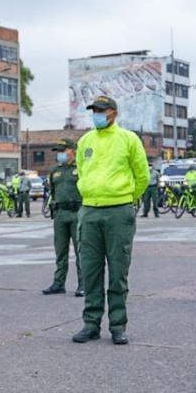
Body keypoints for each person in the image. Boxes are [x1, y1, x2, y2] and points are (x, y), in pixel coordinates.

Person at [72, 96, 149, 345]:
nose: (96, 114)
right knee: (90, 270)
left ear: (113, 113)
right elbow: (82, 172)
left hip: (118, 211)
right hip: (90, 210)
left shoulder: (128, 139)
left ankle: (118, 325)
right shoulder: (85, 141)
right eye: (94, 111)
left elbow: (142, 176)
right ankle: (91, 324)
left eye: (101, 111)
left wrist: (126, 198)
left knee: (118, 271)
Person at [43, 138, 84, 297]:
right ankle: (58, 283)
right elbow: (52, 192)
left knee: (81, 251)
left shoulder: (81, 168)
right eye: (58, 151)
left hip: (77, 212)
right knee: (60, 251)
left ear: (73, 151)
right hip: (60, 214)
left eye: (63, 150)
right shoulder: (55, 170)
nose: (60, 154)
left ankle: (83, 284)